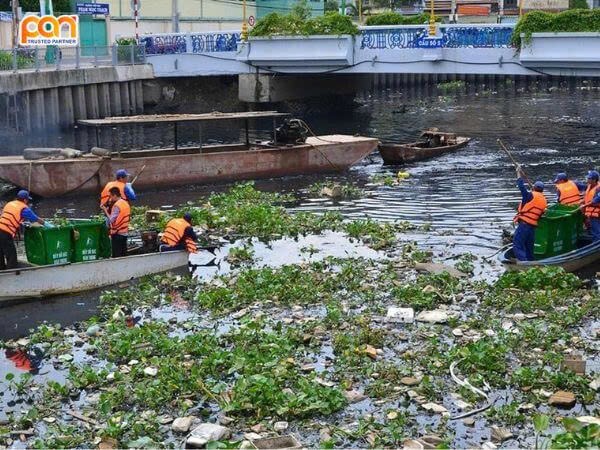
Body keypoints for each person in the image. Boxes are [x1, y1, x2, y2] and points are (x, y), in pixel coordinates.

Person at [0, 190, 50, 270]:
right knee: (11, 254)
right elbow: (36, 219)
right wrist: (47, 224)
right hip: (5, 232)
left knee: (1, 251)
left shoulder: (9, 204)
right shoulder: (24, 209)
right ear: (25, 200)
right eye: (27, 200)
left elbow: (9, 216)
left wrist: (21, 222)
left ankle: (1, 269)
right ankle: (11, 272)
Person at [513, 167, 547, 261]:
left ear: (534, 188)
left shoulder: (530, 195)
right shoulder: (544, 200)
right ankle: (531, 263)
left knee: (517, 246)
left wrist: (518, 173)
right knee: (529, 249)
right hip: (532, 228)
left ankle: (524, 264)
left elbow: (521, 187)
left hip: (524, 225)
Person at [101, 187, 130, 258]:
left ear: (114, 195)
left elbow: (111, 220)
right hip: (124, 232)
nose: (110, 198)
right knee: (123, 254)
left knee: (116, 255)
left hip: (117, 233)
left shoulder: (117, 206)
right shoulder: (125, 203)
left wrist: (105, 210)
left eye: (110, 196)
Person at [581, 170, 600, 241]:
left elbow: (596, 199)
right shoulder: (589, 186)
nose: (588, 179)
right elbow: (588, 197)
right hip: (590, 212)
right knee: (592, 228)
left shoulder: (598, 188)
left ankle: (597, 245)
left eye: (589, 178)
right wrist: (582, 201)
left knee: (596, 230)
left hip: (596, 213)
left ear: (594, 180)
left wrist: (585, 205)